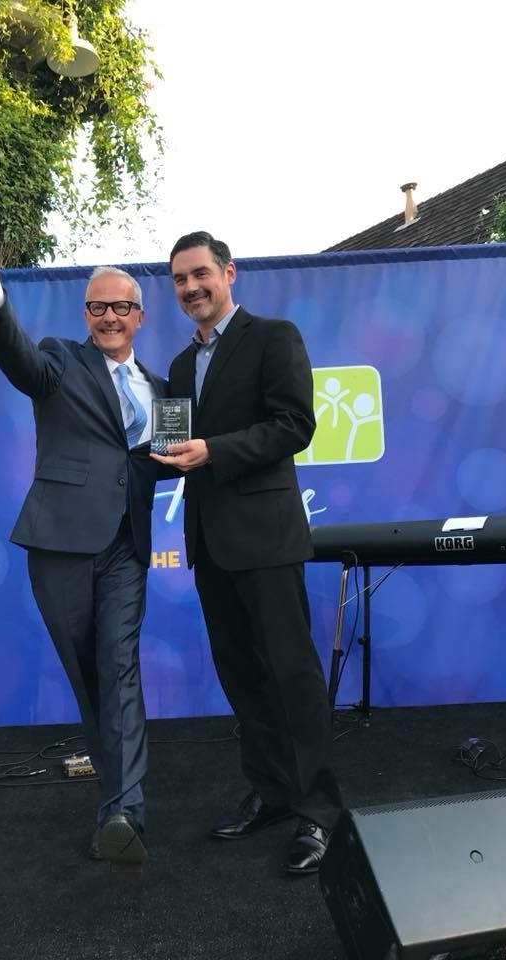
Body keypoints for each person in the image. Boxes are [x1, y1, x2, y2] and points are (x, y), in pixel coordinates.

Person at [0, 229, 168, 866]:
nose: (110, 316)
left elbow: (164, 462)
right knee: (89, 673)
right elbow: (14, 354)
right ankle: (116, 797)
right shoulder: (59, 360)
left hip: (128, 544)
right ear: (86, 315)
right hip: (61, 543)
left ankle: (123, 809)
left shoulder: (161, 389)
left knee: (120, 666)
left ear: (139, 316)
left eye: (121, 307)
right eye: (98, 307)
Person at [152, 231, 343, 875]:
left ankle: (319, 811)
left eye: (200, 274)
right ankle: (272, 791)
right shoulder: (180, 367)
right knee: (242, 677)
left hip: (265, 538)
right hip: (209, 544)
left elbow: (295, 424)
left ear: (228, 273)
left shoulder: (274, 337)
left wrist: (215, 451)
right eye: (180, 280)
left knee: (292, 675)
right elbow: (171, 446)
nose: (191, 288)